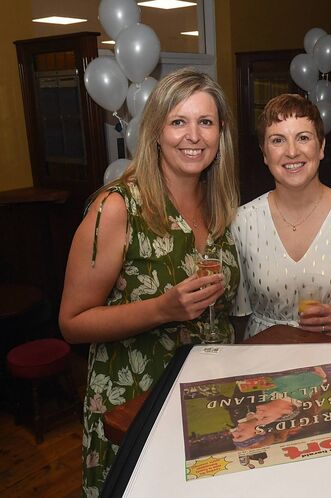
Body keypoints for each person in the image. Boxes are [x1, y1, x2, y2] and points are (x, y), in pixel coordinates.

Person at [58, 68, 240, 495]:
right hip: (136, 404)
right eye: (178, 121)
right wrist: (162, 309)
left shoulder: (222, 206)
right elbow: (72, 322)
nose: (193, 136)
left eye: (205, 122)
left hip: (210, 399)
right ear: (156, 131)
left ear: (220, 134)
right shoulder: (118, 207)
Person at [232, 94, 331, 342]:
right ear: (264, 153)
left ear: (321, 147)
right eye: (278, 140)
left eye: (303, 138)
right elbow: (239, 314)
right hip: (265, 363)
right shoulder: (243, 222)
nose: (292, 152)